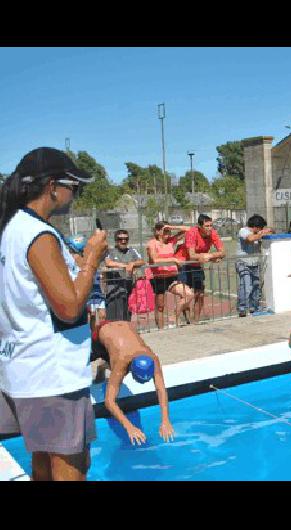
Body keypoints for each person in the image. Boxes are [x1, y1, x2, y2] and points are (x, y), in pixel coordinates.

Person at [0, 146, 107, 481]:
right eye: (74, 186)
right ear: (52, 187)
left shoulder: (12, 229)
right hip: (52, 374)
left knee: (43, 466)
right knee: (72, 470)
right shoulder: (38, 235)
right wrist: (92, 258)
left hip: (25, 369)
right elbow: (68, 306)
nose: (74, 194)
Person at [90, 320, 174, 446]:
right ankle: (103, 363)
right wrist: (129, 427)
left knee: (113, 360)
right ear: (130, 370)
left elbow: (161, 389)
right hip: (101, 331)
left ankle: (103, 365)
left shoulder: (152, 358)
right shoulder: (122, 361)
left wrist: (166, 420)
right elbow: (109, 402)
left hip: (123, 326)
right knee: (85, 361)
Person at [175, 214, 226, 322]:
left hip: (197, 265)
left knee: (200, 294)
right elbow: (192, 255)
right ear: (200, 226)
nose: (209, 228)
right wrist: (209, 256)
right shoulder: (192, 232)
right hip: (184, 263)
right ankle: (186, 319)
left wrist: (210, 256)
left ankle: (196, 321)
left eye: (211, 225)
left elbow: (223, 252)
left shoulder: (213, 233)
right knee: (186, 294)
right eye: (207, 226)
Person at [146, 222, 194, 329]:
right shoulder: (152, 243)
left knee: (188, 294)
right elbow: (155, 260)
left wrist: (172, 226)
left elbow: (189, 230)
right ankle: (161, 330)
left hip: (171, 276)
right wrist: (173, 259)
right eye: (165, 230)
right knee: (160, 307)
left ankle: (173, 316)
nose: (168, 233)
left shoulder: (171, 241)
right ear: (158, 231)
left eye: (169, 231)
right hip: (158, 277)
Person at [103, 229, 146, 322]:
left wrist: (133, 264)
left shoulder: (132, 251)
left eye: (126, 239)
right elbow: (108, 262)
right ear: (116, 240)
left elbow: (142, 261)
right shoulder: (110, 251)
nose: (123, 241)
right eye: (120, 239)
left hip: (128, 287)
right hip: (113, 289)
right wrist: (124, 266)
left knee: (126, 315)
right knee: (113, 317)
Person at [236, 214, 271, 317]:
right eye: (261, 227)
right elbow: (250, 239)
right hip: (243, 262)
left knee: (256, 285)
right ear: (257, 226)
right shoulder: (243, 230)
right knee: (246, 286)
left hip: (255, 263)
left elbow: (271, 232)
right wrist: (261, 234)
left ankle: (254, 307)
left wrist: (266, 232)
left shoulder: (258, 233)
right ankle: (242, 308)